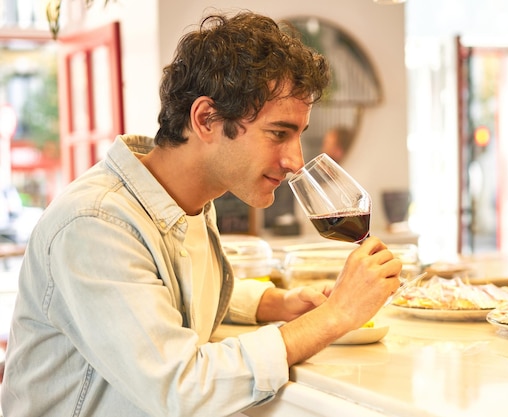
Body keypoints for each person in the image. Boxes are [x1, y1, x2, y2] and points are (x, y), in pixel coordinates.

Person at [1, 11, 401, 417]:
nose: (296, 161)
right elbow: (181, 388)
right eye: (278, 133)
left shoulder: (182, 203)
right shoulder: (95, 225)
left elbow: (160, 293)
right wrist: (335, 317)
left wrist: (272, 302)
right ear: (206, 118)